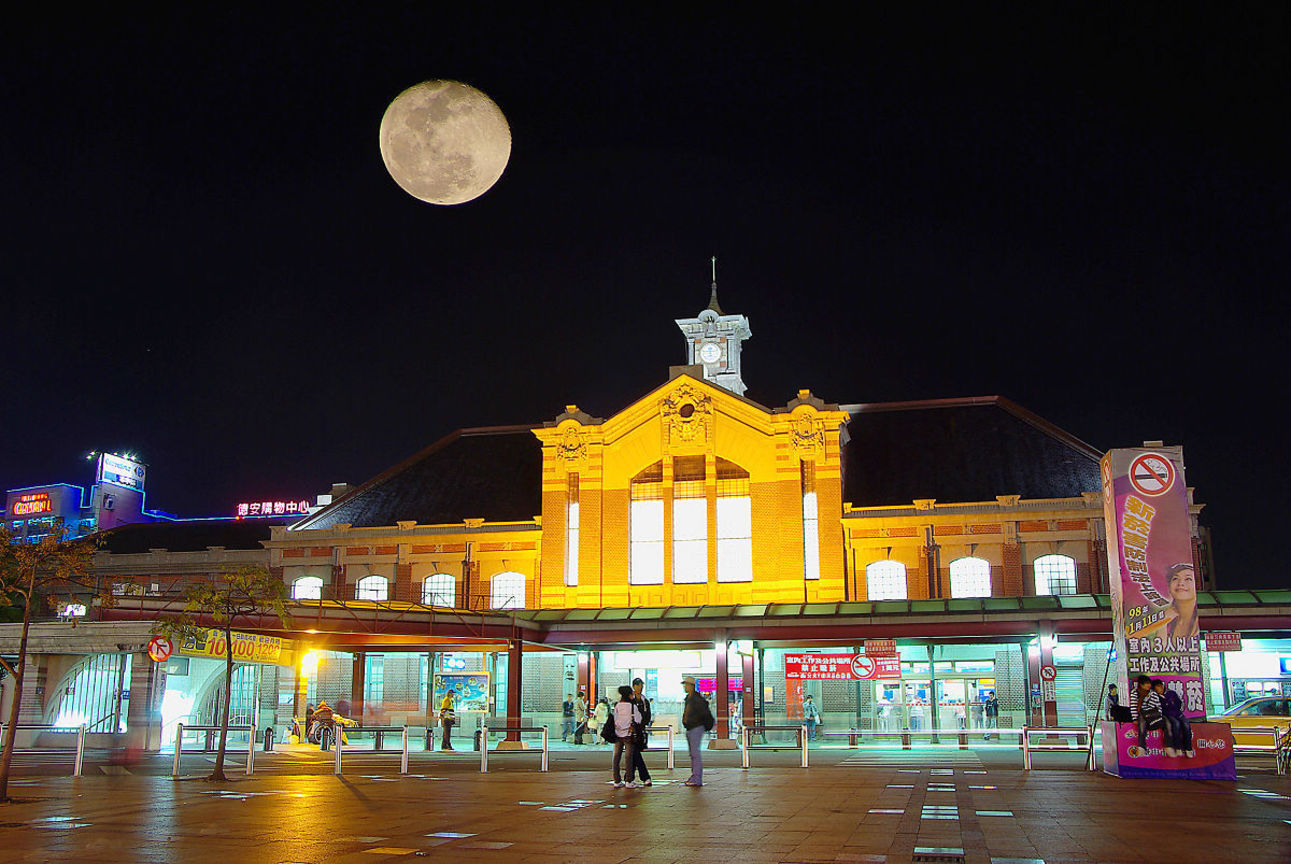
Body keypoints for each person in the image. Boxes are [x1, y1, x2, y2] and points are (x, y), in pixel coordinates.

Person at [682, 675, 714, 786]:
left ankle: (697, 778)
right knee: (693, 753)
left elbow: (704, 713)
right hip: (690, 727)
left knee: (695, 753)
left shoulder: (697, 699)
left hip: (696, 727)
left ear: (691, 686)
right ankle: (694, 776)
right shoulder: (689, 698)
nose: (684, 687)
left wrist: (702, 724)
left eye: (686, 684)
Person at [610, 685, 643, 788]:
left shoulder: (617, 706)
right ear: (629, 695)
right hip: (629, 734)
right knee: (629, 757)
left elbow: (614, 719)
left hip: (617, 734)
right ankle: (629, 780)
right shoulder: (632, 707)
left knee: (616, 757)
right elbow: (639, 719)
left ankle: (616, 780)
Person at [1159, 680, 1194, 758]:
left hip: (1178, 713)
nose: (1159, 688)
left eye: (1160, 686)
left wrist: (1173, 705)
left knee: (1186, 725)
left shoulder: (1171, 693)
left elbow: (1178, 703)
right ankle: (1178, 748)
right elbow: (1163, 709)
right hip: (1168, 715)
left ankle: (1188, 748)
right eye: (1157, 687)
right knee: (1176, 724)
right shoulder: (1158, 698)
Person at [1130, 675, 1163, 754]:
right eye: (1146, 684)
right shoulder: (1135, 693)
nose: (1149, 685)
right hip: (1142, 715)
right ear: (1141, 685)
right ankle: (1142, 747)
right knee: (1142, 723)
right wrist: (1134, 718)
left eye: (1149, 683)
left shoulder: (1152, 693)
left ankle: (1171, 746)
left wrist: (1159, 714)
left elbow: (1158, 706)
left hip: (1153, 715)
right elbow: (1133, 706)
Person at [629, 678, 653, 786]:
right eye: (638, 686)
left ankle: (629, 778)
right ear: (633, 686)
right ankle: (645, 777)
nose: (640, 688)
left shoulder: (645, 701)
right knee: (635, 753)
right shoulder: (629, 700)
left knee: (634, 753)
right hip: (630, 730)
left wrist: (642, 724)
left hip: (640, 730)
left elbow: (648, 715)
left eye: (641, 686)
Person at [440, 687, 457, 751]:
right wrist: (442, 718)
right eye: (452, 693)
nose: (453, 695)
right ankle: (447, 745)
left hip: (449, 718)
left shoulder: (450, 700)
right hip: (446, 719)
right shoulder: (446, 700)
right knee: (447, 733)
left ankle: (444, 745)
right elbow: (443, 709)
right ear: (449, 694)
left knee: (446, 733)